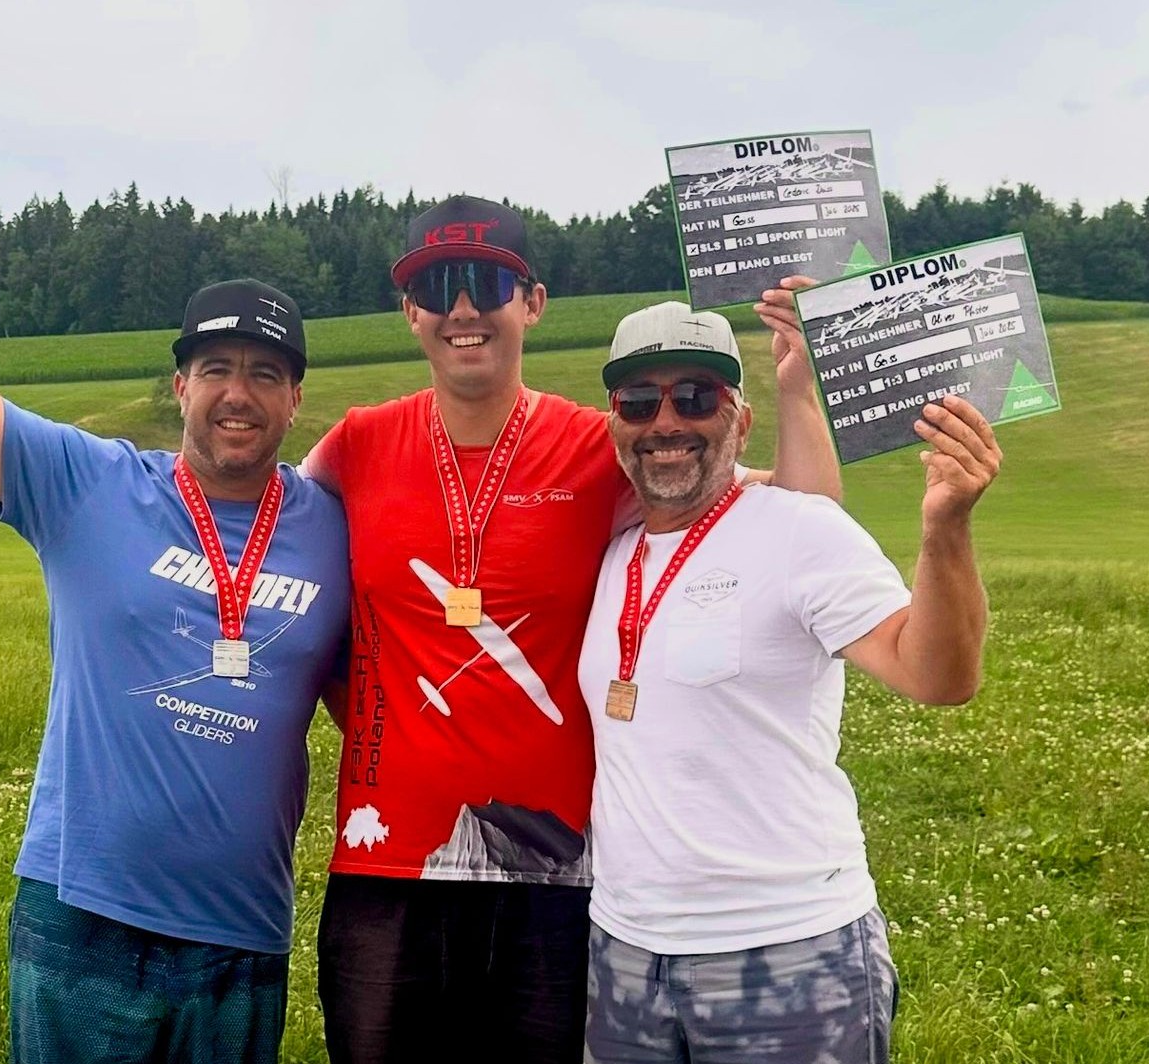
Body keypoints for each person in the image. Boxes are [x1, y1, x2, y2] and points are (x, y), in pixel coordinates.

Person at [0, 127, 349, 1064]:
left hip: (242, 936)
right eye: (217, 370)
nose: (239, 394)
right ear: (180, 384)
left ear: (296, 399)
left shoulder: (335, 527)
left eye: (266, 374)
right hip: (84, 921)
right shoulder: (86, 485)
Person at [302, 195, 842, 1063]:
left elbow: (799, 520)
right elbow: (272, 544)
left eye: (489, 284)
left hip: (559, 874)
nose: (464, 308)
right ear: (410, 312)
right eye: (438, 287)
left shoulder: (603, 444)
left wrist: (795, 388)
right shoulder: (358, 444)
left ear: (534, 303)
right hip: (390, 868)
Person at [579, 300, 999, 1062]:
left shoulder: (798, 529)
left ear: (740, 422)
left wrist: (946, 528)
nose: (665, 422)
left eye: (696, 397)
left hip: (790, 950)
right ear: (615, 424)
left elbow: (938, 676)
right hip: (625, 954)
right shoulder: (612, 548)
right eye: (639, 401)